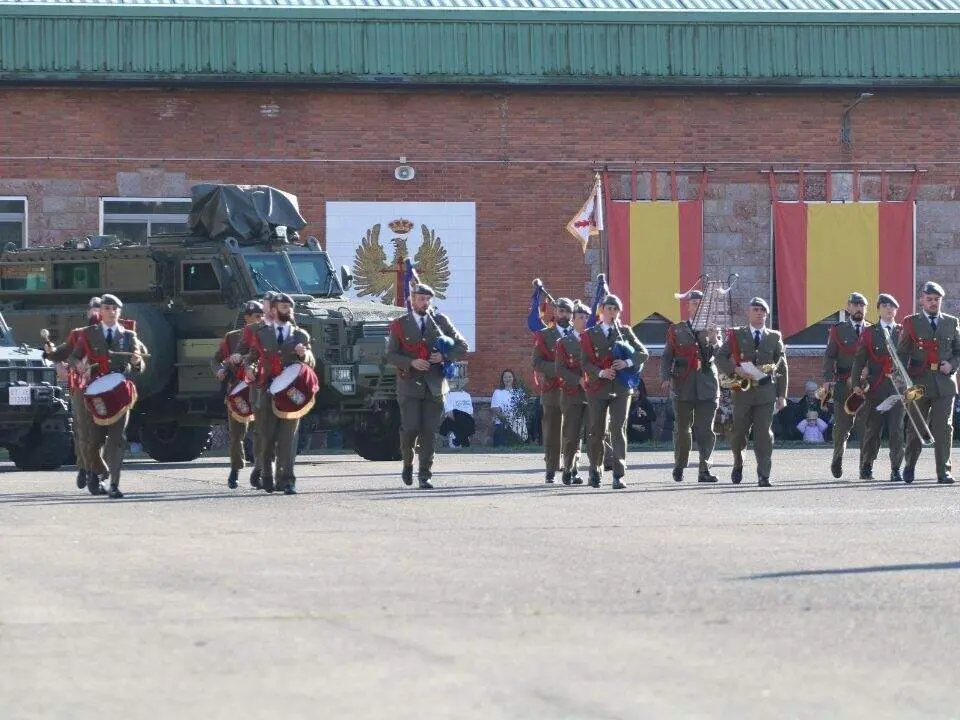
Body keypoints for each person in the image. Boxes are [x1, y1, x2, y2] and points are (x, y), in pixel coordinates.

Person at [385, 283, 468, 489]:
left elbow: (462, 345)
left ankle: (425, 475)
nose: (424, 303)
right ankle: (407, 463)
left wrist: (444, 356)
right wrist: (411, 362)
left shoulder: (440, 321)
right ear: (412, 300)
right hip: (409, 384)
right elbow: (390, 354)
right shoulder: (401, 324)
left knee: (429, 431)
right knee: (411, 427)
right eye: (421, 299)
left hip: (435, 384)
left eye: (427, 299)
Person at [69, 294, 148, 499]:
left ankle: (114, 484)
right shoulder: (88, 335)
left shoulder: (129, 336)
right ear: (101, 312)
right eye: (106, 308)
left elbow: (140, 365)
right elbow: (74, 356)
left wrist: (137, 360)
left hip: (120, 394)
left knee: (117, 440)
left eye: (115, 309)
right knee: (93, 443)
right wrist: (78, 364)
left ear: (119, 312)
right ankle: (99, 473)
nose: (111, 312)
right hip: (95, 394)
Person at [243, 293, 315, 494]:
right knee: (266, 437)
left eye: (289, 307)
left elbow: (311, 360)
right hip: (266, 390)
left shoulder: (300, 335)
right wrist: (250, 367)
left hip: (291, 393)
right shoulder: (262, 333)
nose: (288, 310)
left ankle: (287, 480)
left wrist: (305, 355)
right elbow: (252, 357)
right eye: (284, 307)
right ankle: (267, 474)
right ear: (273, 310)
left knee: (288, 439)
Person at [716, 297, 788, 488]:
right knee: (739, 432)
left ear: (767, 314)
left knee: (763, 433)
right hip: (742, 390)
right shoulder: (736, 334)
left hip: (766, 392)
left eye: (762, 310)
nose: (758, 312)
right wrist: (735, 369)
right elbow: (720, 357)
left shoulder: (774, 337)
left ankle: (764, 475)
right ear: (748, 313)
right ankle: (738, 462)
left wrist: (782, 396)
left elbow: (782, 367)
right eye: (755, 309)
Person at [580, 294, 649, 489]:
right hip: (598, 388)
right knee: (596, 432)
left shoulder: (625, 331)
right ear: (601, 311)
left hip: (620, 388)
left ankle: (619, 474)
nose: (612, 312)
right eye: (609, 309)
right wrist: (600, 372)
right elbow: (584, 362)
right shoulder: (590, 333)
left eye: (615, 309)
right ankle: (595, 470)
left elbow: (643, 353)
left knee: (618, 429)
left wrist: (626, 362)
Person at [896, 281, 960, 484]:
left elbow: (958, 351)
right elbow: (902, 353)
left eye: (937, 300)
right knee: (915, 427)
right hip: (917, 384)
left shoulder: (951, 322)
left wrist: (952, 365)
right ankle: (910, 465)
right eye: (929, 299)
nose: (933, 303)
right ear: (921, 300)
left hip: (945, 383)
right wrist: (901, 378)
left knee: (944, 428)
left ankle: (944, 471)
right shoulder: (911, 323)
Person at [659, 289, 721, 483]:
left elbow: (719, 354)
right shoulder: (676, 329)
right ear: (688, 306)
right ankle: (680, 465)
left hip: (707, 384)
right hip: (682, 383)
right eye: (694, 303)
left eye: (701, 304)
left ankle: (705, 469)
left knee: (706, 429)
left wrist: (714, 340)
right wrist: (665, 376)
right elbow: (667, 355)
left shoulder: (712, 328)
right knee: (682, 429)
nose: (698, 307)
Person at [43, 295, 102, 491]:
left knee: (101, 432)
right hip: (80, 388)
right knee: (82, 432)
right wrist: (57, 361)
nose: (95, 312)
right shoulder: (77, 335)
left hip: (105, 389)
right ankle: (86, 468)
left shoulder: (113, 333)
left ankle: (94, 471)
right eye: (92, 308)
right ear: (87, 312)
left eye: (99, 308)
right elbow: (62, 363)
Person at [850, 293, 905, 481]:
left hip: (898, 389)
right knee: (873, 429)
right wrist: (856, 383)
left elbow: (910, 359)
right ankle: (867, 465)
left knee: (897, 430)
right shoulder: (869, 332)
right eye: (885, 306)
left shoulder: (903, 332)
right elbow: (859, 360)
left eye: (892, 307)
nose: (889, 310)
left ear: (896, 310)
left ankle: (896, 468)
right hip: (876, 388)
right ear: (879, 309)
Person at [213, 300, 263, 488]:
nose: (260, 319)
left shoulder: (266, 335)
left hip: (258, 389)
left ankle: (259, 468)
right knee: (236, 435)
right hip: (238, 391)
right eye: (256, 316)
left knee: (261, 432)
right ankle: (235, 468)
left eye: (262, 315)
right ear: (246, 318)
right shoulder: (232, 338)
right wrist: (220, 370)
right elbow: (216, 360)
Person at [823, 292, 871, 479]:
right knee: (842, 427)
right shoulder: (838, 330)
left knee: (866, 427)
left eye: (862, 305)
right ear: (848, 307)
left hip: (866, 386)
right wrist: (827, 379)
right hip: (844, 384)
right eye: (855, 304)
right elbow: (829, 356)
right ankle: (837, 459)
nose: (859, 308)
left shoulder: (873, 331)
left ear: (866, 309)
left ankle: (864, 467)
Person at [233, 291, 277, 489]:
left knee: (283, 430)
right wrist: (242, 361)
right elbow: (242, 352)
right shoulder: (251, 330)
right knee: (262, 430)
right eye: (266, 306)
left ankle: (278, 470)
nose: (267, 310)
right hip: (260, 385)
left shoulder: (290, 328)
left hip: (283, 385)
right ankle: (261, 466)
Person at [533, 297, 572, 483]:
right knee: (551, 430)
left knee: (572, 430)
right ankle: (550, 468)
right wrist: (558, 369)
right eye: (561, 311)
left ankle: (571, 468)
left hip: (574, 389)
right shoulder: (544, 335)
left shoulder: (580, 333)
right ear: (555, 313)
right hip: (552, 389)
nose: (565, 315)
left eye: (568, 312)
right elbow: (537, 362)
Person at [554, 299, 590, 485]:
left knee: (591, 433)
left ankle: (582, 468)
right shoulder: (564, 342)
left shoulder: (593, 339)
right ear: (573, 320)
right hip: (571, 393)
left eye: (586, 317)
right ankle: (568, 468)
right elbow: (560, 369)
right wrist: (578, 380)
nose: (584, 320)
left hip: (592, 393)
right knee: (571, 434)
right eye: (580, 317)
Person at [490, 369, 524, 446]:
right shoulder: (498, 392)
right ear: (502, 379)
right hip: (501, 424)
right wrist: (507, 420)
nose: (507, 379)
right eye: (505, 377)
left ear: (513, 378)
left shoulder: (519, 392)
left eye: (510, 377)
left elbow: (521, 409)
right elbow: (495, 409)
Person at [438, 381, 475, 448]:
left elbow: (471, 413)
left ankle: (459, 439)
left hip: (466, 420)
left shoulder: (467, 395)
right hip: (455, 420)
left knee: (464, 420)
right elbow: (449, 414)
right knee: (456, 415)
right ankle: (458, 439)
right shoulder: (447, 395)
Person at [627, 379, 657, 444]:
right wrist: (632, 425)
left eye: (636, 390)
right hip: (630, 430)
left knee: (644, 429)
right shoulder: (627, 403)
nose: (634, 392)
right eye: (633, 390)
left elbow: (654, 418)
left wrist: (645, 413)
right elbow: (623, 419)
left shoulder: (645, 402)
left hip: (643, 430)